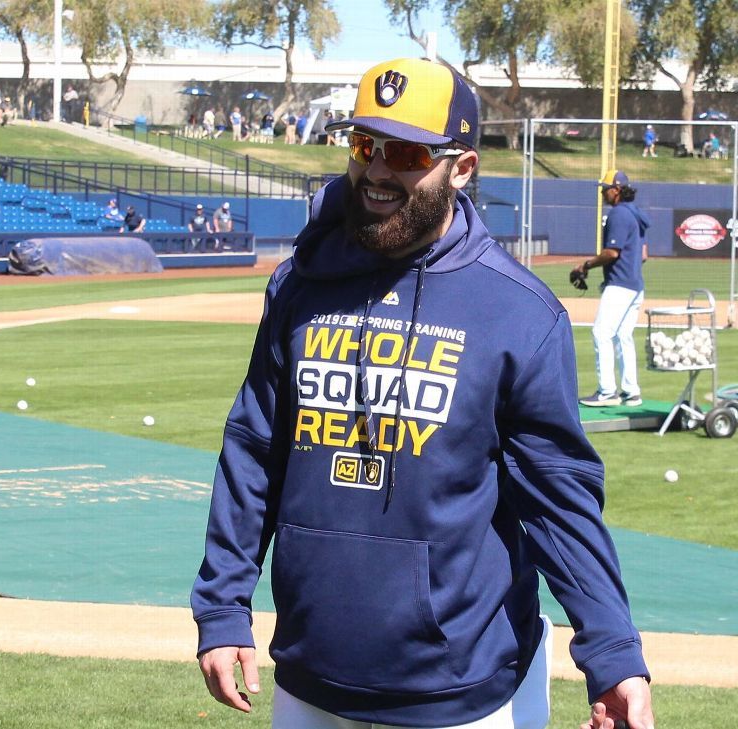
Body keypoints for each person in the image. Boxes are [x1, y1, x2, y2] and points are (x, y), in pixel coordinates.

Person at [193, 57, 653, 729]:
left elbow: (559, 500)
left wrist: (612, 652)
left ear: (460, 167)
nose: (378, 171)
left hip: (460, 692)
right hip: (308, 675)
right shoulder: (302, 282)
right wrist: (222, 603)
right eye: (363, 145)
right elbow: (255, 449)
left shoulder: (519, 311)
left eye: (406, 153)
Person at [573, 170, 649, 408]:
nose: (604, 193)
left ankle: (607, 392)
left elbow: (611, 253)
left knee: (602, 333)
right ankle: (631, 391)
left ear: (616, 189)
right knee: (624, 337)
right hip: (636, 285)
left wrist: (586, 265)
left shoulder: (618, 214)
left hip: (620, 285)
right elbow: (644, 254)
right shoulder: (636, 214)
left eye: (606, 189)